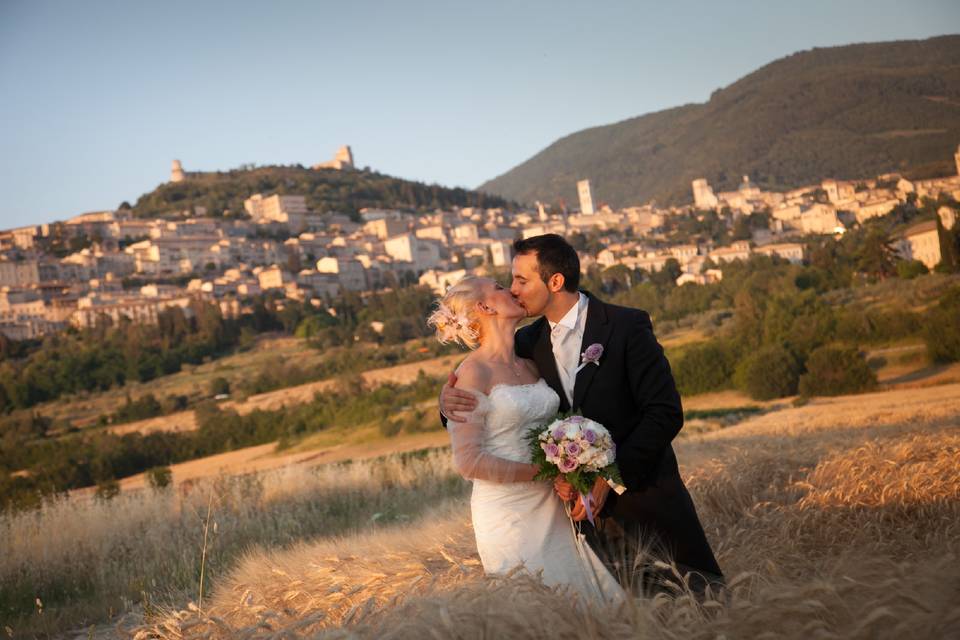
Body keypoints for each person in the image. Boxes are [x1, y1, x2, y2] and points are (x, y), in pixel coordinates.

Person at [440, 234, 724, 595]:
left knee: (703, 602)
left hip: (645, 500)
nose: (513, 290)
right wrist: (445, 400)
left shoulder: (626, 326)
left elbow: (665, 412)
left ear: (554, 282)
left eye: (521, 281)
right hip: (572, 518)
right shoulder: (528, 344)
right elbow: (482, 401)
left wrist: (610, 477)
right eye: (507, 283)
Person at [427, 275, 624, 605]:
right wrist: (547, 472)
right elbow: (468, 462)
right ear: (485, 306)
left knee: (586, 601)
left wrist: (570, 471)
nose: (512, 291)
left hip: (554, 505)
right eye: (501, 288)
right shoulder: (474, 373)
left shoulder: (531, 364)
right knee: (541, 607)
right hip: (509, 515)